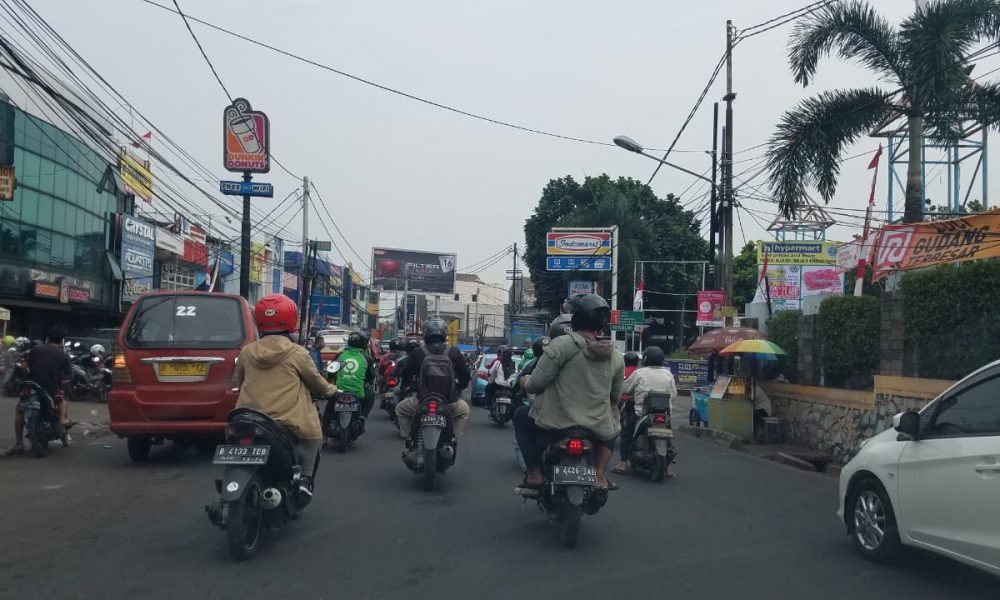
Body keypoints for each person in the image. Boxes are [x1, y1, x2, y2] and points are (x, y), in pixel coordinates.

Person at [514, 293, 623, 498]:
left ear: (576, 318)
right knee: (615, 423)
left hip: (555, 424)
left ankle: (535, 474)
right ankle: (600, 474)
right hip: (596, 428)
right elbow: (615, 396)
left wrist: (524, 382)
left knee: (521, 415)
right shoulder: (616, 356)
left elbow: (536, 384)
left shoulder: (560, 345)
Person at [234, 294, 337, 496]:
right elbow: (317, 383)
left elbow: (238, 381)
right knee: (313, 437)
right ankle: (305, 481)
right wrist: (331, 390)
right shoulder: (297, 353)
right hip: (286, 420)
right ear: (291, 319)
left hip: (248, 417)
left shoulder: (247, 351)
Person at [394, 320, 471, 442]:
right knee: (464, 410)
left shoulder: (418, 352)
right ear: (444, 334)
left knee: (400, 409)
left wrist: (409, 385)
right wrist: (459, 387)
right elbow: (466, 375)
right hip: (449, 402)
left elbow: (405, 374)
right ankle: (452, 438)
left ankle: (410, 438)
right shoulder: (454, 351)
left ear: (425, 334)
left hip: (422, 401)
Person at [6, 325, 73, 455]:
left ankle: (19, 443)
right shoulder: (63, 355)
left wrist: (27, 377)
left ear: (48, 338)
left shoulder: (36, 349)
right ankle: (62, 420)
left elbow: (24, 366)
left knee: (20, 411)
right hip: (51, 389)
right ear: (62, 340)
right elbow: (68, 376)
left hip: (31, 386)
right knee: (62, 402)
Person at [613, 346, 678, 478]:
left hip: (642, 413)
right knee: (669, 437)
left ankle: (622, 463)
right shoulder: (668, 374)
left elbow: (625, 389)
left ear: (646, 359)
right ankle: (669, 467)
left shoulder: (640, 373)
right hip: (665, 413)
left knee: (626, 435)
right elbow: (674, 394)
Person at [329, 330, 376, 422]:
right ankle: (362, 418)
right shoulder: (367, 358)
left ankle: (325, 427)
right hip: (358, 393)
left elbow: (331, 372)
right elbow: (371, 377)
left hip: (338, 391)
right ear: (364, 344)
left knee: (329, 407)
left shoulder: (340, 355)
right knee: (371, 396)